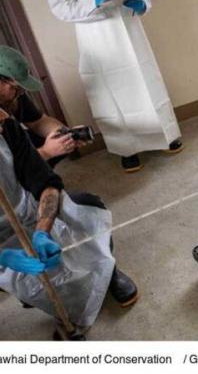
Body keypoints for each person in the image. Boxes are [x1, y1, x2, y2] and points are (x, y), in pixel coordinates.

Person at [46, 0, 183, 173]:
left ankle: (165, 135)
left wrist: (142, 4)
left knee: (148, 85)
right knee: (113, 96)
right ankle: (127, 150)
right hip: (99, 39)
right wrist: (94, 3)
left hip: (132, 35)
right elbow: (60, 8)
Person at [0, 107, 138, 340]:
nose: (3, 119)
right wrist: (2, 256)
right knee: (34, 282)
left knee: (87, 208)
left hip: (25, 208)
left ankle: (107, 270)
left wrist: (42, 231)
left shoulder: (7, 126)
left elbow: (45, 182)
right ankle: (54, 308)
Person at [0, 45, 92, 168]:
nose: (19, 93)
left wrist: (64, 134)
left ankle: (38, 181)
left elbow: (38, 122)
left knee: (50, 140)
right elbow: (4, 169)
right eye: (14, 87)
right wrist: (46, 152)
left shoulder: (12, 96)